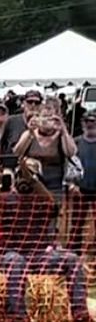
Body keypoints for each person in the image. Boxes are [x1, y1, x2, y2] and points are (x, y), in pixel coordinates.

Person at [0, 160, 88, 322]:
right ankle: (17, 315)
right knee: (16, 261)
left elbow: (53, 206)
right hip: (12, 253)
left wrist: (32, 179)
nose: (23, 180)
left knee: (72, 260)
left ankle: (80, 312)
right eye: (21, 175)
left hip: (39, 255)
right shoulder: (8, 199)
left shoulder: (42, 200)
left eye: (29, 176)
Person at [13, 97, 76, 197]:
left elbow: (71, 152)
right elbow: (17, 153)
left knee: (55, 210)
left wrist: (63, 130)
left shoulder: (61, 135)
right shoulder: (30, 133)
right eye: (44, 116)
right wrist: (30, 132)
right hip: (31, 185)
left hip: (55, 185)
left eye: (50, 117)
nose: (47, 120)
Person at [69, 106, 96, 254]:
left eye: (93, 121)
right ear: (82, 122)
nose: (90, 124)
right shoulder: (76, 143)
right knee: (77, 221)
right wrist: (72, 184)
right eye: (87, 121)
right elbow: (70, 165)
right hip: (80, 188)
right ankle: (74, 248)